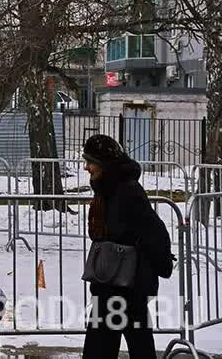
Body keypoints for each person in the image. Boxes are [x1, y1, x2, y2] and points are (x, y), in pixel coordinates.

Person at [81, 135, 174, 359]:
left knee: (118, 343)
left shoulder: (126, 191)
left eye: (91, 161)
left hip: (126, 286)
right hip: (112, 283)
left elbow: (154, 231)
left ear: (105, 163)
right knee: (121, 342)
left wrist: (161, 263)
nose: (86, 167)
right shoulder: (109, 189)